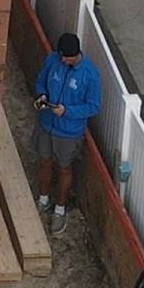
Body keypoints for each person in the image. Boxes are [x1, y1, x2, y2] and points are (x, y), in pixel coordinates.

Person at [33, 32, 103, 216]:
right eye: (61, 56)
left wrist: (67, 111)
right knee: (44, 161)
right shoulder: (52, 60)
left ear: (76, 54)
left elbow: (93, 106)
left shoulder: (90, 75)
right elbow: (41, 81)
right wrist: (42, 95)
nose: (63, 60)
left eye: (67, 58)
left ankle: (60, 208)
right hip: (47, 123)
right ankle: (43, 198)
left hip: (69, 132)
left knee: (65, 168)